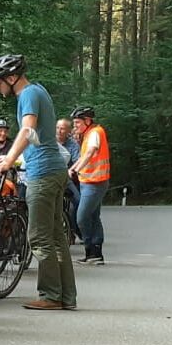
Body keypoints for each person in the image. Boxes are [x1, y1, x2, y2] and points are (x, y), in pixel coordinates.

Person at [0, 54, 75, 311]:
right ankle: (66, 295)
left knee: (39, 236)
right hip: (55, 169)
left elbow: (28, 130)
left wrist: (8, 159)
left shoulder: (28, 95)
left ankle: (50, 295)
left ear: (12, 78)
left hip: (43, 173)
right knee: (56, 235)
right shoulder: (38, 91)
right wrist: (12, 156)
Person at [69, 106, 110, 265]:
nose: (75, 126)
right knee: (93, 216)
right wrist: (72, 169)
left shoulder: (95, 133)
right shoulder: (87, 134)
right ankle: (96, 254)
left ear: (87, 121)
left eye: (78, 122)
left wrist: (76, 169)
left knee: (82, 217)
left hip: (95, 182)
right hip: (88, 182)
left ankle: (90, 249)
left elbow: (90, 152)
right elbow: (83, 156)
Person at [57, 117, 81, 239]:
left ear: (68, 131)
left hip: (68, 178)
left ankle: (77, 228)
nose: (59, 131)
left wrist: (71, 170)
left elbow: (77, 160)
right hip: (53, 176)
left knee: (78, 201)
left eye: (62, 129)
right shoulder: (49, 141)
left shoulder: (73, 144)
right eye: (57, 128)